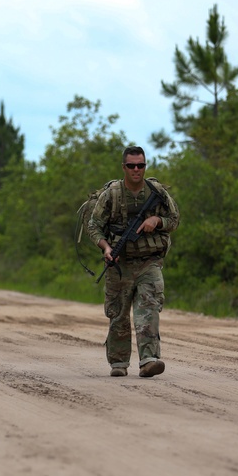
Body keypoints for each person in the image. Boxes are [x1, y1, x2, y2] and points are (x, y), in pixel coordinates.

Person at [88, 146, 180, 378]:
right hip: (120, 265)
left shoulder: (156, 192)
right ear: (124, 167)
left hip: (149, 262)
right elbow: (94, 226)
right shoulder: (112, 195)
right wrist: (107, 248)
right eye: (131, 166)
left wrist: (157, 221)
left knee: (148, 308)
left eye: (141, 165)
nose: (136, 169)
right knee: (118, 314)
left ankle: (149, 360)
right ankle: (118, 363)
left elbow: (174, 219)